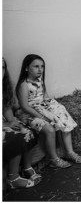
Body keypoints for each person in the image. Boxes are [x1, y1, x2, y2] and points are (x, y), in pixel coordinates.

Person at [14, 55, 81, 168]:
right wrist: (41, 116)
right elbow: (25, 106)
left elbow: (45, 97)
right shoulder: (24, 84)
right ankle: (54, 158)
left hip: (41, 108)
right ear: (26, 68)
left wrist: (54, 110)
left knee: (63, 117)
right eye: (36, 66)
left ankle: (69, 152)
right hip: (28, 113)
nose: (40, 69)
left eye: (42, 66)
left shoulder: (40, 81)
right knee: (50, 129)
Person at [3, 58, 41, 188]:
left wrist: (13, 122)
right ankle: (12, 178)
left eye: (2, 68)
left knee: (28, 130)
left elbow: (6, 108)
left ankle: (26, 167)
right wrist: (4, 126)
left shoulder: (3, 87)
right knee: (15, 138)